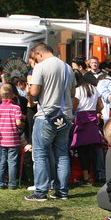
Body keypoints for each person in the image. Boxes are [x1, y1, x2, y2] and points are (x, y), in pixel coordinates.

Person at [26, 42, 75, 201]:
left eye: (36, 57)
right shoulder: (67, 67)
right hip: (65, 115)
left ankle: (41, 191)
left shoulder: (40, 67)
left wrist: (29, 90)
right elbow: (72, 93)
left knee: (40, 154)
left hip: (46, 115)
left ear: (39, 54)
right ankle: (62, 191)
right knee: (62, 154)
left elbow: (34, 92)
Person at [70, 66, 103, 186]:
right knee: (91, 149)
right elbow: (101, 106)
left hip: (81, 120)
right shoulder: (93, 88)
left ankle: (85, 177)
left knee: (82, 150)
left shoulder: (78, 90)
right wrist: (94, 111)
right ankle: (92, 175)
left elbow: (73, 107)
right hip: (93, 120)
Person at [0, 83, 23, 190]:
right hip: (13, 139)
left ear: (0, 96)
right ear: (12, 95)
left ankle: (0, 183)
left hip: (2, 140)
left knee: (1, 162)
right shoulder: (16, 108)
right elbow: (18, 123)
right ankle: (12, 184)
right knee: (12, 162)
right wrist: (22, 125)